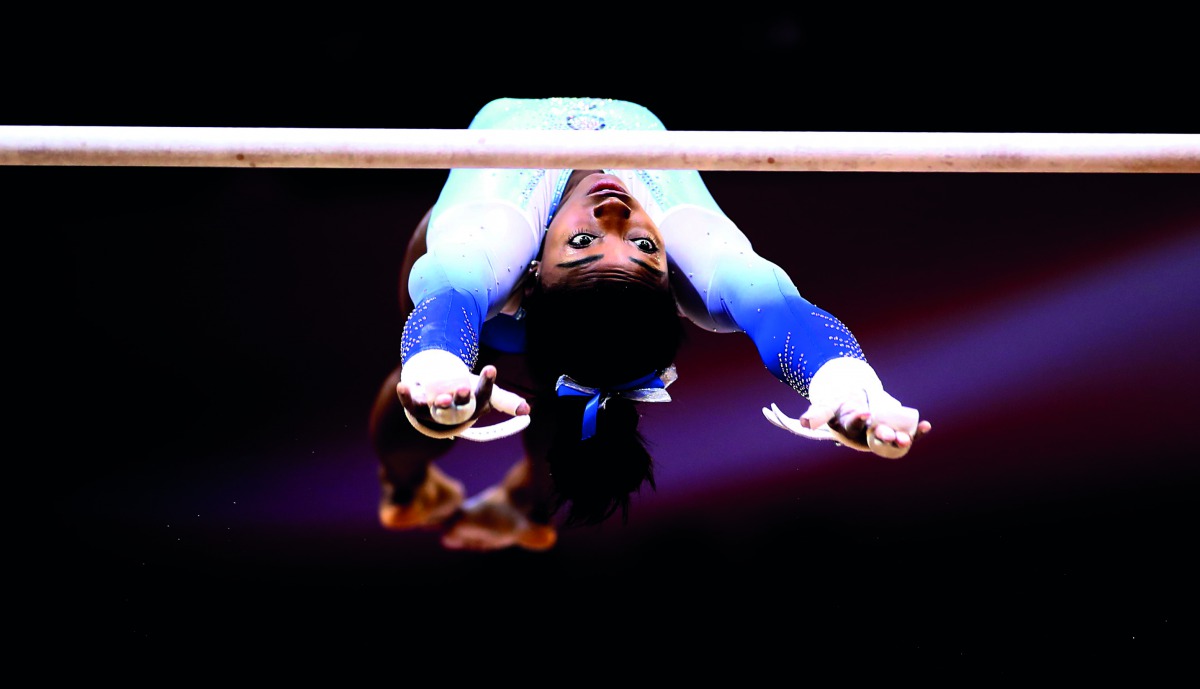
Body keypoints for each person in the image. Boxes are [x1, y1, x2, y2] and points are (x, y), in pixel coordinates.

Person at [369, 97, 931, 552]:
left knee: (425, 380)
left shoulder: (490, 237)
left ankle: (453, 481)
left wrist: (436, 364)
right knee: (529, 379)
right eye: (643, 246)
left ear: (535, 272)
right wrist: (847, 388)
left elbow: (450, 292)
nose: (615, 214)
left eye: (584, 244)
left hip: (498, 289)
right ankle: (437, 492)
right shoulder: (699, 252)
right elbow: (784, 312)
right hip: (532, 317)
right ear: (670, 280)